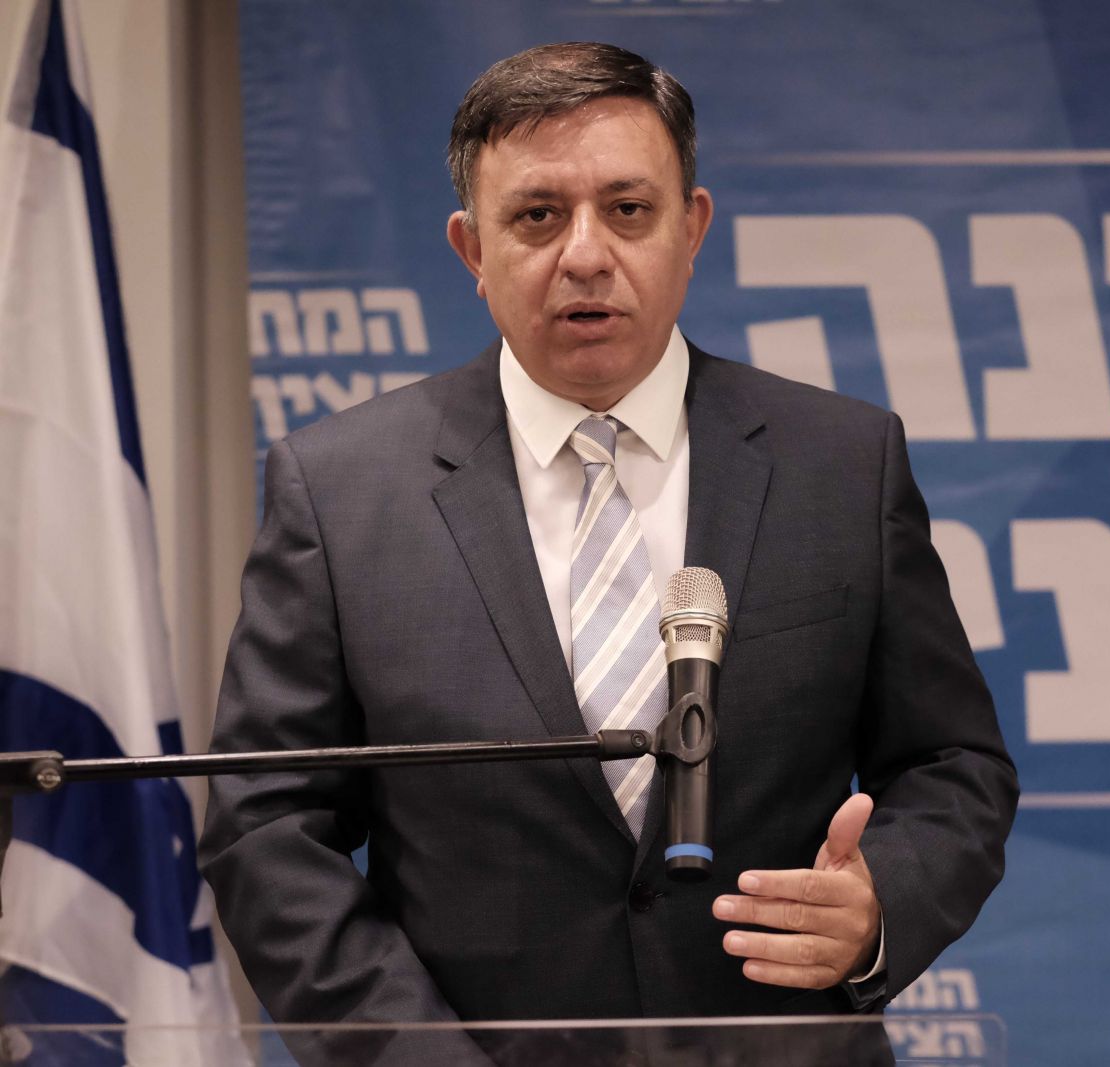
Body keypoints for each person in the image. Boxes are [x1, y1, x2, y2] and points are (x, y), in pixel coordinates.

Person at [200, 40, 1016, 1059]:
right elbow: (267, 824)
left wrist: (879, 904)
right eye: (538, 216)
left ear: (691, 228)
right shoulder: (341, 491)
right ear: (472, 248)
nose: (585, 254)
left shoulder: (842, 464)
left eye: (628, 209)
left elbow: (952, 763)